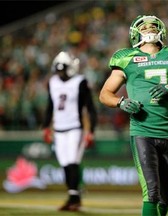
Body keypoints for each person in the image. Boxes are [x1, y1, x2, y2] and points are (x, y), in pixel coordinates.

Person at [99, 15, 168, 216]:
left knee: (167, 196)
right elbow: (104, 94)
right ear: (135, 32)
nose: (149, 29)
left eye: (153, 26)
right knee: (151, 192)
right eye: (145, 26)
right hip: (142, 132)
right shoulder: (126, 58)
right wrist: (122, 102)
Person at [42, 51, 97, 211]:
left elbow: (90, 108)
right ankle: (73, 196)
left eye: (63, 69)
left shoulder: (80, 81)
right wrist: (46, 126)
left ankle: (74, 197)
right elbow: (50, 105)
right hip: (58, 129)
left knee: (73, 162)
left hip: (75, 128)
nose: (61, 73)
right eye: (58, 70)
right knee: (65, 163)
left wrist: (91, 130)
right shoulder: (53, 82)